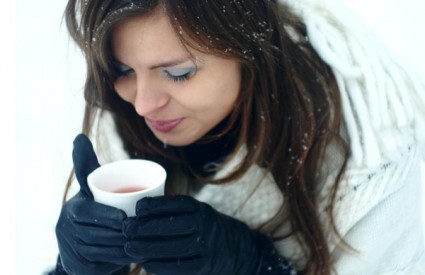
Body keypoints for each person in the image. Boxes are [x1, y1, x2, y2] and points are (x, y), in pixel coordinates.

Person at [48, 0, 425, 274]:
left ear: (250, 53)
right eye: (122, 68)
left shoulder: (373, 164)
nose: (143, 104)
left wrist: (252, 265)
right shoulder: (120, 119)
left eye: (178, 73)